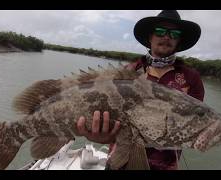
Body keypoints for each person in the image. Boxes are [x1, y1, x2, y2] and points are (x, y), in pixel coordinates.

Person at [76, 10, 204, 170]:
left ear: (179, 41)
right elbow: (111, 121)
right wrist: (102, 136)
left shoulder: (191, 78)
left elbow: (194, 125)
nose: (166, 36)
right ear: (150, 37)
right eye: (160, 31)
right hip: (119, 161)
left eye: (174, 33)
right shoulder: (127, 72)